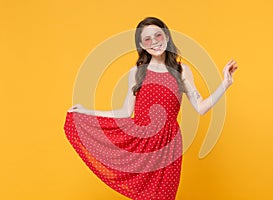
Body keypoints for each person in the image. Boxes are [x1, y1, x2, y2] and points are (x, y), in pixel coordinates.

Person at [64, 16, 238, 200]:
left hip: (168, 145)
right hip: (140, 141)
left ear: (167, 37)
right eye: (147, 39)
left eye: (158, 35)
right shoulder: (137, 72)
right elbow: (124, 112)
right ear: (141, 44)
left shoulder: (181, 71)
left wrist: (225, 84)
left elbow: (201, 108)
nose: (154, 42)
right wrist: (86, 111)